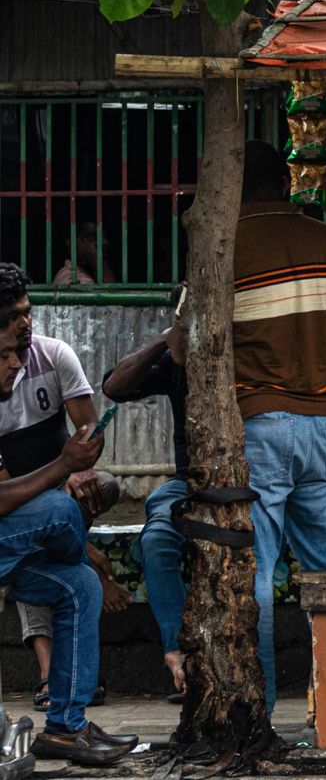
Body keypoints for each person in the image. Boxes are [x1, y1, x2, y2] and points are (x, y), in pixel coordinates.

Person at [234, 141, 326, 725]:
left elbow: (182, 348)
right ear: (288, 182)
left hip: (260, 428)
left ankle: (258, 708)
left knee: (258, 575)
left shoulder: (221, 250)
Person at [0, 324, 139, 765]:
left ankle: (65, 727)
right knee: (60, 513)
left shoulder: (49, 359)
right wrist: (62, 465)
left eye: (16, 354)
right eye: (4, 355)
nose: (16, 365)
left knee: (80, 585)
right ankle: (86, 557)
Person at [102, 283, 188, 698]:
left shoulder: (244, 358)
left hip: (249, 482)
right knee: (156, 539)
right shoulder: (174, 361)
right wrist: (164, 340)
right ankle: (178, 652)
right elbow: (114, 387)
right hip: (188, 483)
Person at [53, 218, 118, 286]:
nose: (105, 242)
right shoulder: (71, 277)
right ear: (72, 243)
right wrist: (95, 257)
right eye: (94, 237)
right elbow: (110, 294)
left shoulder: (83, 273)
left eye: (105, 236)